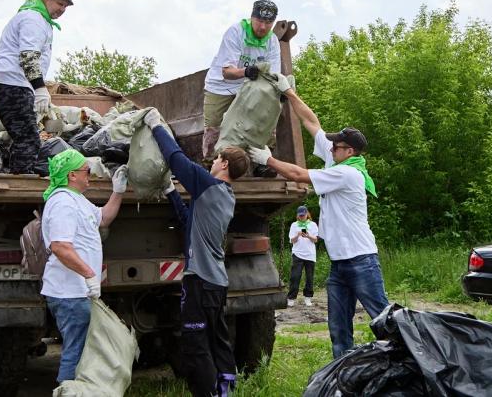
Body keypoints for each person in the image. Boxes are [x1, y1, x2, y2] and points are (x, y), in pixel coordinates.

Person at [247, 84, 388, 359]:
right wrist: (289, 93)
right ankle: (342, 376)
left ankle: (408, 366)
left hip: (361, 260)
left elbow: (299, 175)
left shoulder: (348, 174)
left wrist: (268, 160)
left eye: (338, 146)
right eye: (333, 144)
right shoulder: (336, 161)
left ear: (351, 152)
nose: (332, 147)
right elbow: (311, 121)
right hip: (340, 264)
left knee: (384, 321)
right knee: (338, 329)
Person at [143, 108, 250, 397]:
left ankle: (207, 392)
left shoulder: (210, 184)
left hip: (200, 282)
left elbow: (176, 159)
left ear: (224, 164)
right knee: (217, 339)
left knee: (196, 343)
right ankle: (225, 387)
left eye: (216, 158)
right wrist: (170, 191)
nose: (212, 161)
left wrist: (156, 127)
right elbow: (187, 219)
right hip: (215, 283)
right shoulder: (223, 196)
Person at [40, 149, 128, 383]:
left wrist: (118, 192)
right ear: (71, 175)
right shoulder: (62, 203)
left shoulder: (77, 200)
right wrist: (89, 274)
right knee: (76, 351)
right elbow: (60, 246)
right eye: (85, 170)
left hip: (78, 292)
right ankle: (68, 390)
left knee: (81, 349)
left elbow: (104, 218)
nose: (90, 173)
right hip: (69, 293)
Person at [0, 0, 73, 174]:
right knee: (28, 139)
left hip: (15, 85)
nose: (63, 9)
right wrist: (40, 89)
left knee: (24, 138)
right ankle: (19, 186)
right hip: (12, 86)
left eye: (66, 5)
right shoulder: (33, 20)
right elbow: (28, 58)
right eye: (60, 3)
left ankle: (15, 175)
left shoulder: (39, 20)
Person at [202, 0, 282, 163]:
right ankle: (210, 162)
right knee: (213, 126)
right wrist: (246, 71)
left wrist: (281, 91)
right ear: (252, 17)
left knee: (266, 117)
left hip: (249, 86)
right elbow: (227, 72)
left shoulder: (272, 41)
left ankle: (263, 162)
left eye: (268, 23)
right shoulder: (236, 32)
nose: (263, 27)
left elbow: (274, 75)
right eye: (259, 21)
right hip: (221, 85)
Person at [287, 205, 318, 307]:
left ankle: (308, 298)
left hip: (310, 255)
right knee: (295, 277)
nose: (301, 217)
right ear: (297, 215)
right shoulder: (294, 225)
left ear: (307, 214)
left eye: (303, 215)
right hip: (297, 254)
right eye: (300, 216)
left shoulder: (313, 225)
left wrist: (308, 235)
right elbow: (292, 240)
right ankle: (291, 298)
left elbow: (316, 240)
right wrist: (298, 235)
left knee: (309, 277)